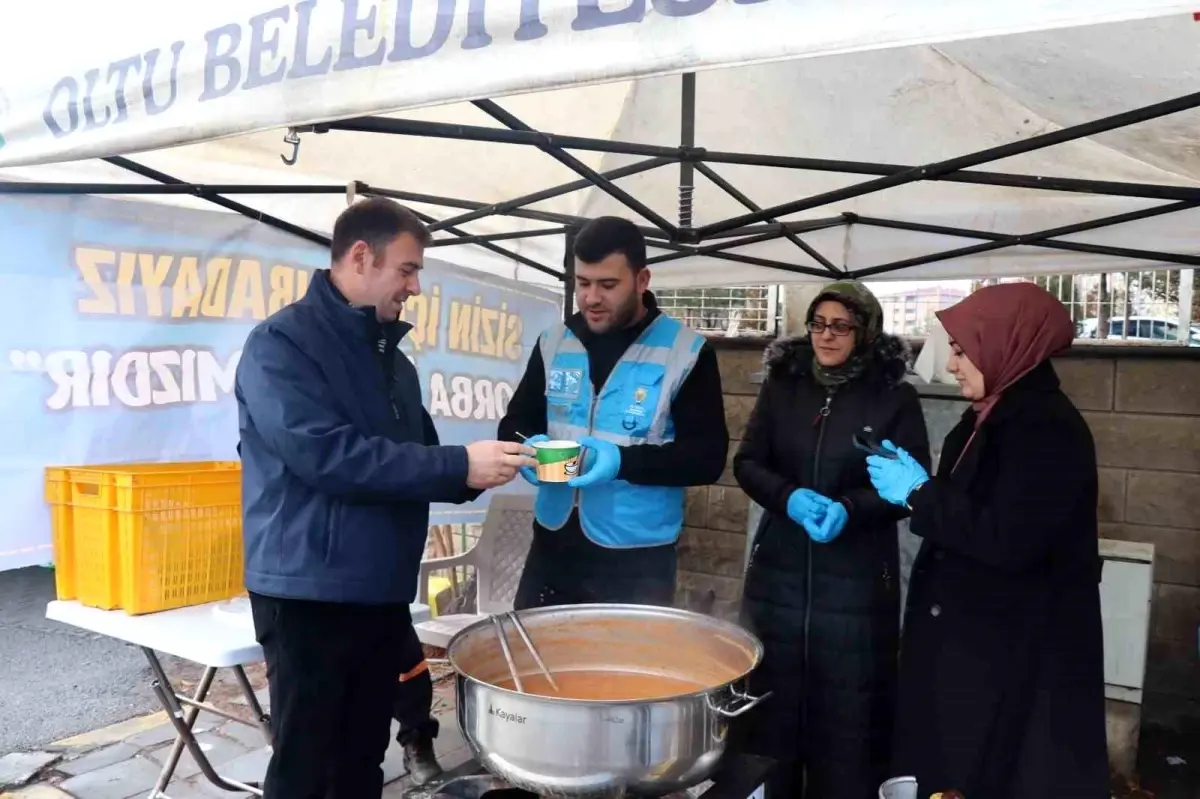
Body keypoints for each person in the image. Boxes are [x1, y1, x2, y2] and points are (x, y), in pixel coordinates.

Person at [235, 197, 536, 799]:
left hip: (380, 588)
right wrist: (460, 463)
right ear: (360, 256)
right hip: (308, 590)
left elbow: (417, 460)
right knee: (306, 764)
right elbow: (327, 456)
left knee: (362, 760)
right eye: (407, 269)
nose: (415, 287)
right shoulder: (280, 345)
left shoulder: (395, 364)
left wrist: (483, 471)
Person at [866, 282, 1108, 798]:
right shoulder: (988, 415)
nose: (952, 366)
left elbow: (1010, 539)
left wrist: (920, 494)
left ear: (1005, 344)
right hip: (978, 648)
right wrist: (921, 492)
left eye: (961, 351)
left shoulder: (1045, 428)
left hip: (1016, 659)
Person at [732, 281, 931, 799]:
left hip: (857, 584)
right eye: (818, 324)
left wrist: (850, 509)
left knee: (849, 722)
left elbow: (910, 487)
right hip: (779, 576)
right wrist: (788, 498)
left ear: (865, 332)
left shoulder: (894, 397)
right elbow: (748, 462)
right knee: (771, 714)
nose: (826, 335)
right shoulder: (784, 385)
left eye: (841, 326)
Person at [497, 216, 728, 609]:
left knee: (623, 653)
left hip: (637, 558)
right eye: (583, 283)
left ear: (641, 280)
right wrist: (528, 448)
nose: (591, 298)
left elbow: (706, 459)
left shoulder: (686, 352)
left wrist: (622, 462)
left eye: (607, 285)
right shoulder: (554, 342)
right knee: (531, 647)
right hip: (553, 542)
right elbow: (515, 424)